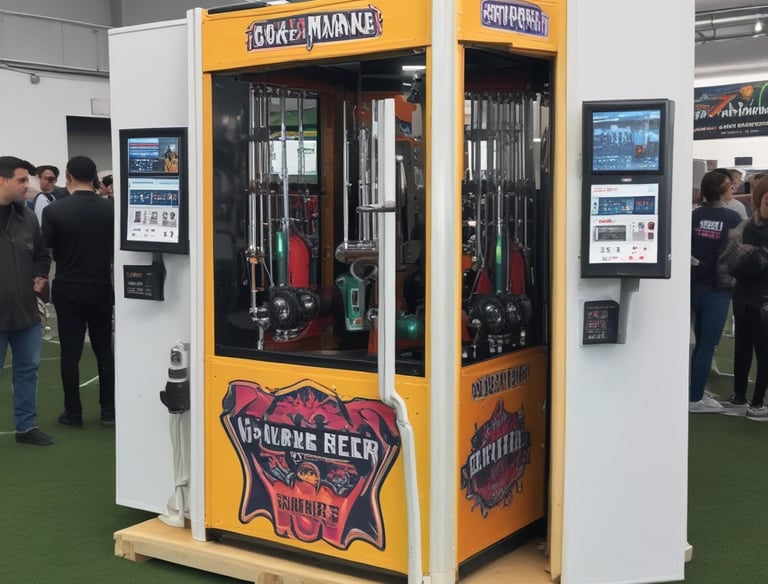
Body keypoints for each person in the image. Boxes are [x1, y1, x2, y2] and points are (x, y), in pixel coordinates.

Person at [41, 156, 115, 426]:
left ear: (68, 177)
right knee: (103, 348)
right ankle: (109, 410)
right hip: (100, 285)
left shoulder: (55, 211)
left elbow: (46, 252)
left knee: (70, 352)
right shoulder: (110, 209)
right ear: (94, 176)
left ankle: (73, 412)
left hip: (68, 285)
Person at [0, 156, 54, 445]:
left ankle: (26, 427)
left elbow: (42, 256)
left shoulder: (28, 217)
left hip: (25, 312)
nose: (28, 186)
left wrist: (40, 275)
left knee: (27, 370)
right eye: (22, 180)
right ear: (2, 180)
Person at [689, 170, 743, 413]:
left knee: (697, 344)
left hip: (692, 286)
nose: (734, 188)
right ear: (722, 191)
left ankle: (693, 392)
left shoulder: (693, 216)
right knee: (706, 345)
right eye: (730, 185)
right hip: (717, 290)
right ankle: (695, 398)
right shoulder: (732, 218)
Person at [720, 176, 768, 420]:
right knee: (757, 353)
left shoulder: (745, 226)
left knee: (746, 350)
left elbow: (730, 262)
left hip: (744, 297)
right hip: (758, 301)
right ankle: (756, 404)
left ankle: (741, 398)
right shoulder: (747, 226)